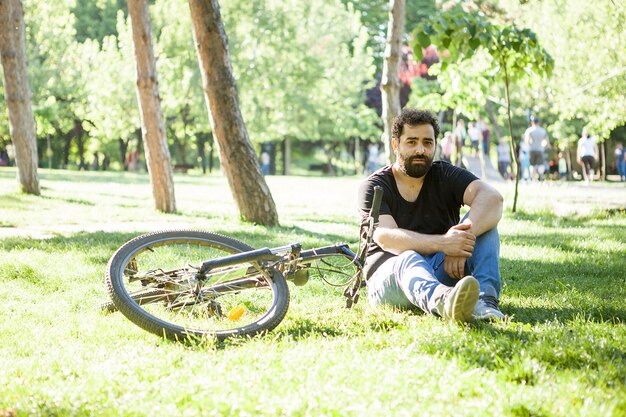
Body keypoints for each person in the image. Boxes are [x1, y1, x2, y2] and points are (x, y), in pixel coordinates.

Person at [358, 108, 505, 322]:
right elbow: (387, 238)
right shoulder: (374, 186)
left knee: (486, 227)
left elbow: (492, 199)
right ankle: (444, 302)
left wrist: (460, 242)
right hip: (390, 277)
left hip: (439, 267)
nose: (420, 150)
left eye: (427, 143)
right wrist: (444, 244)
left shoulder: (444, 174)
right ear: (395, 144)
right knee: (408, 256)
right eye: (412, 142)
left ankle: (484, 302)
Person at [524, 117, 550, 181]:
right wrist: (543, 146)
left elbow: (527, 141)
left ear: (532, 122)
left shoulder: (529, 130)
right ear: (539, 122)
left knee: (532, 165)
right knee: (541, 164)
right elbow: (547, 142)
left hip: (531, 150)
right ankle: (541, 177)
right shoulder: (543, 130)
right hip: (540, 150)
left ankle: (533, 179)